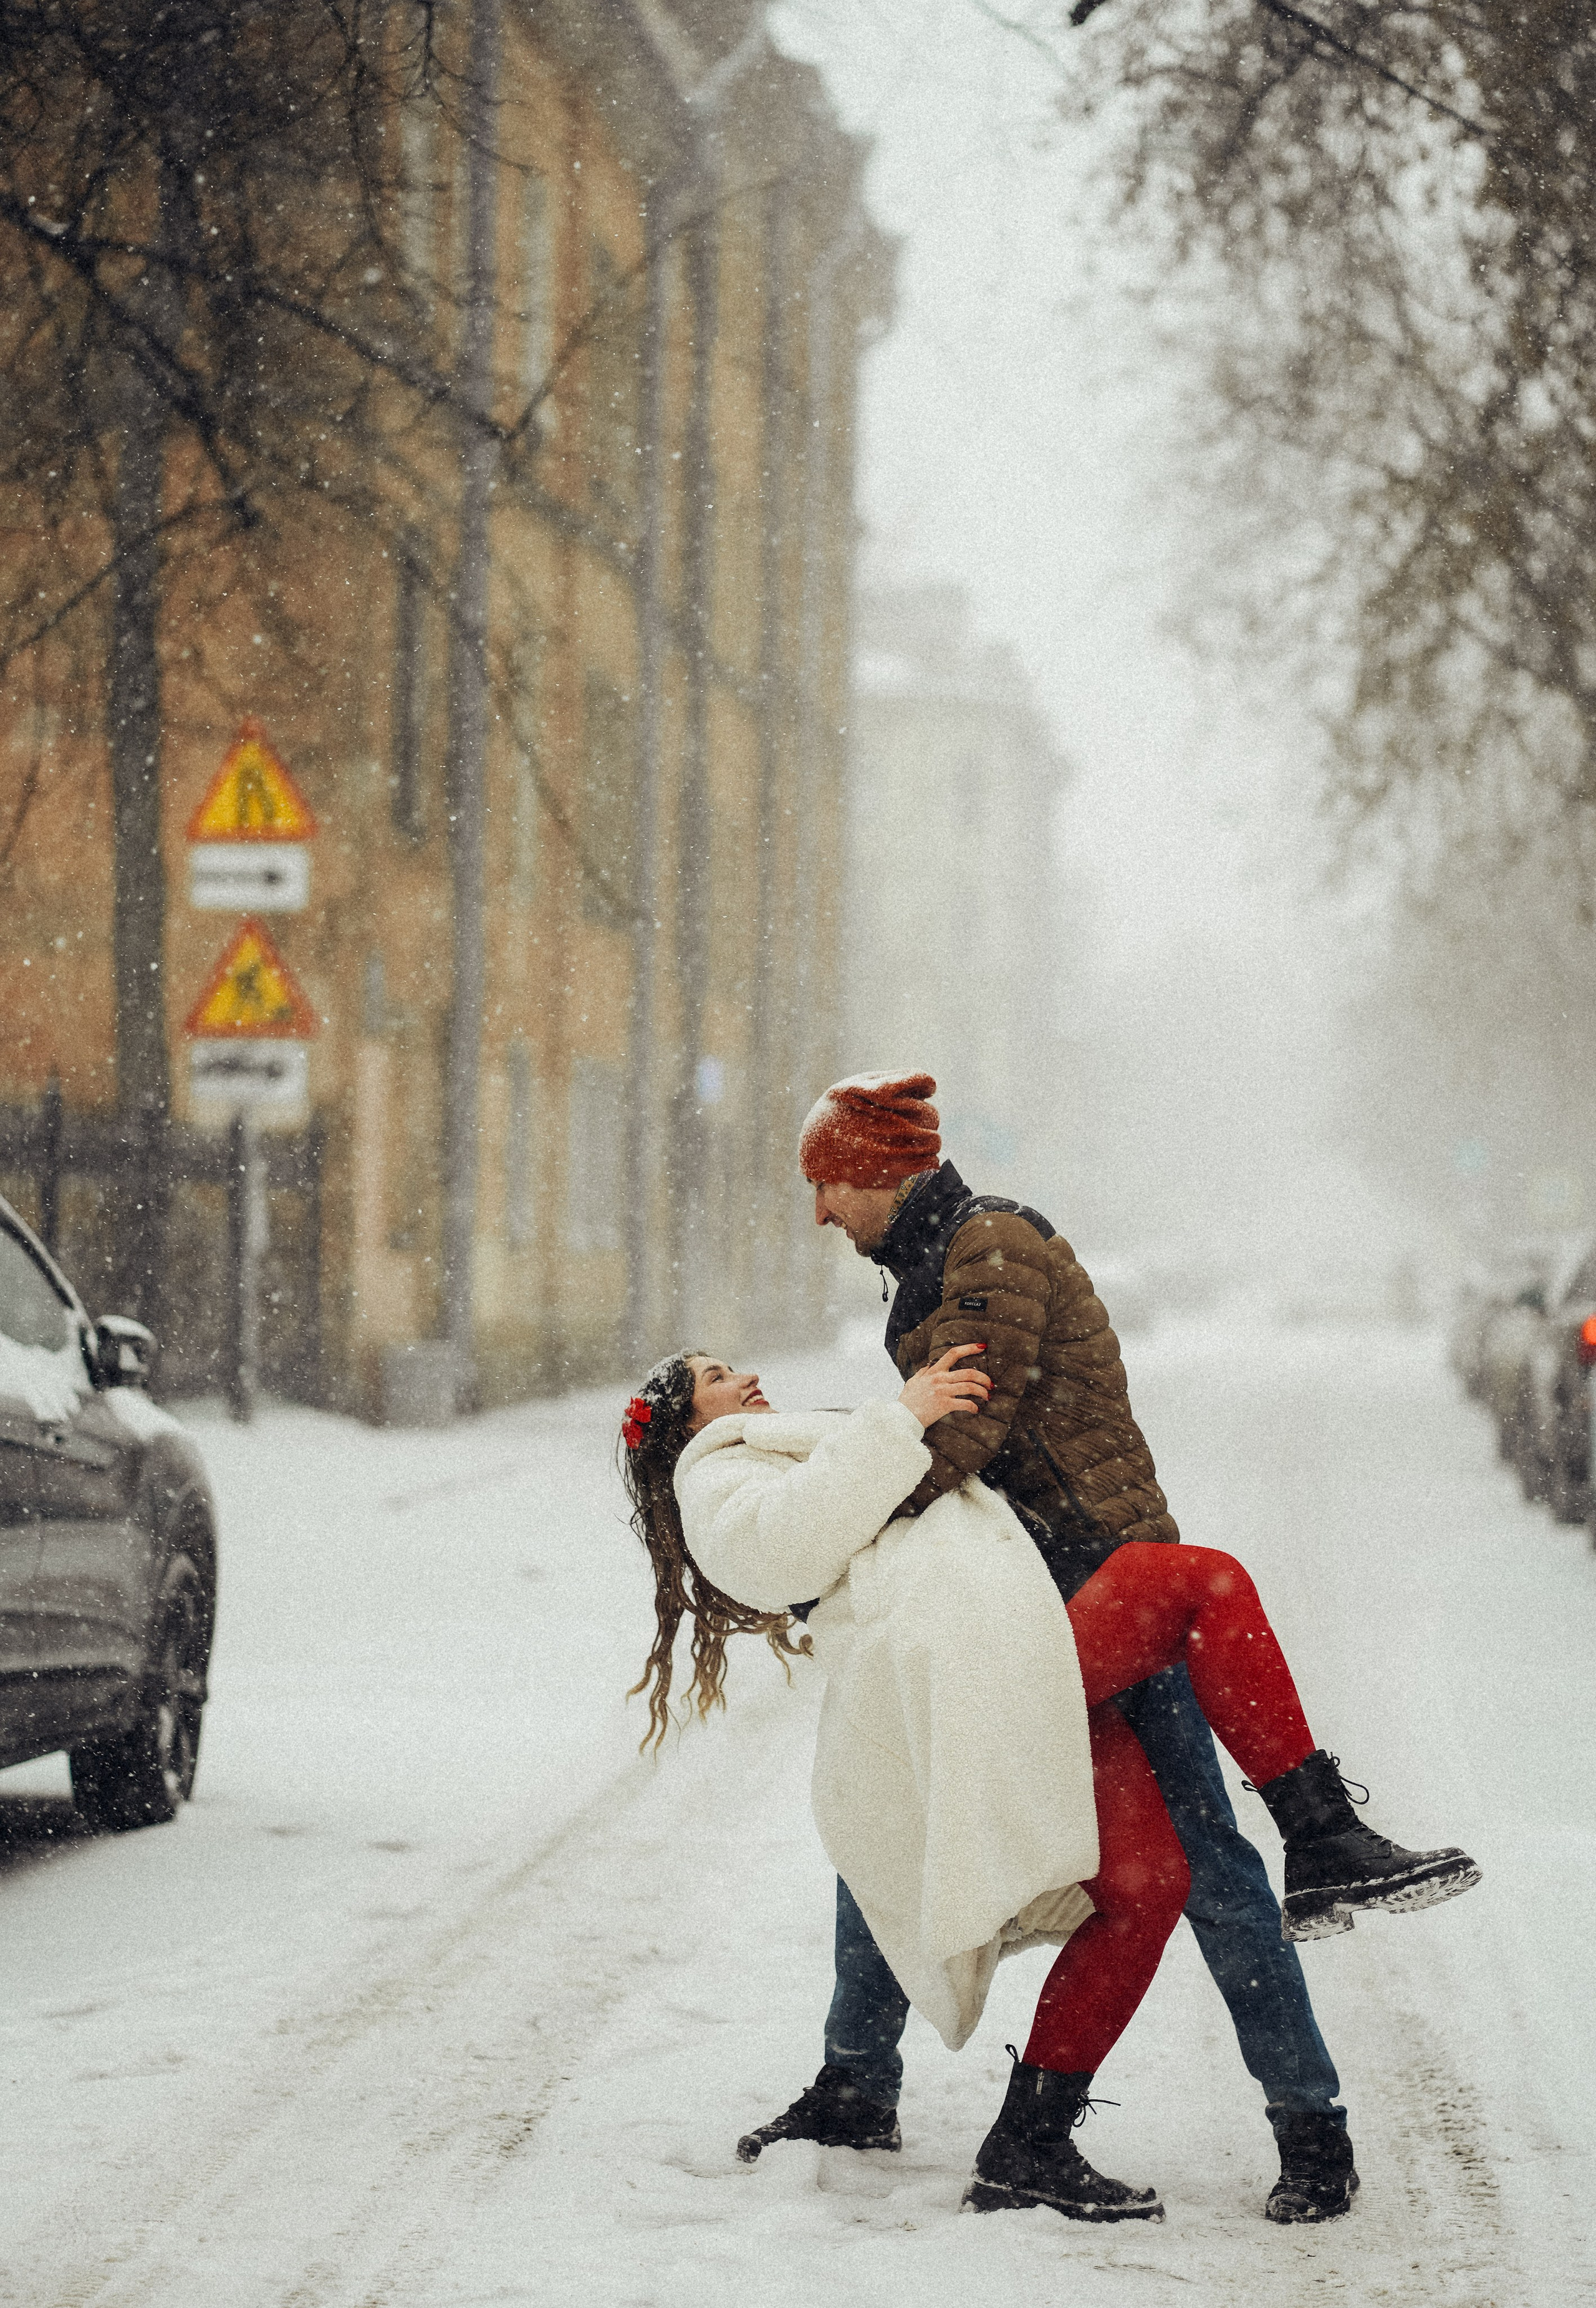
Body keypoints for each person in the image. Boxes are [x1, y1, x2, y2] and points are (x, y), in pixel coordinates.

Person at [618, 1346, 1479, 2224]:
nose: (744, 1375)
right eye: (715, 1376)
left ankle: (1029, 2140)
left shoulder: (787, 1447)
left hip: (1010, 1640)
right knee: (1204, 1585)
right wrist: (903, 1413)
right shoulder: (715, 1480)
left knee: (1148, 1887)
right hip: (980, 1655)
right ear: (688, 1424)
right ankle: (1319, 1827)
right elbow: (787, 1547)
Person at [762, 1068, 1358, 2224]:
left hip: (1102, 1587)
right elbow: (929, 1439)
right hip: (1016, 1598)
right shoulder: (938, 1260)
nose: (821, 1212)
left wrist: (824, 1535)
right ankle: (855, 2079)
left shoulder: (989, 1249)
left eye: (830, 1183)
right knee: (890, 1801)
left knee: (1208, 1867)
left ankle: (1313, 2128)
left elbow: (960, 1431)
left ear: (884, 1172)